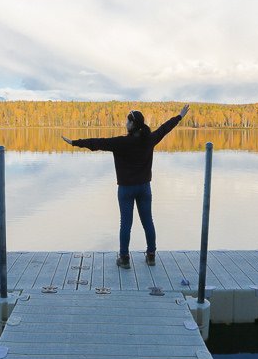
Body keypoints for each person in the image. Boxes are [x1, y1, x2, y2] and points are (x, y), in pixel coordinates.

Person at [63, 104, 190, 268]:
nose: (125, 124)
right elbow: (164, 128)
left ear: (132, 125)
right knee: (148, 222)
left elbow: (97, 143)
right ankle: (151, 256)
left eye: (127, 121)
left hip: (126, 189)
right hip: (144, 188)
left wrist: (74, 142)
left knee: (126, 224)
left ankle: (124, 259)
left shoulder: (121, 142)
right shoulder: (149, 139)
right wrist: (179, 116)